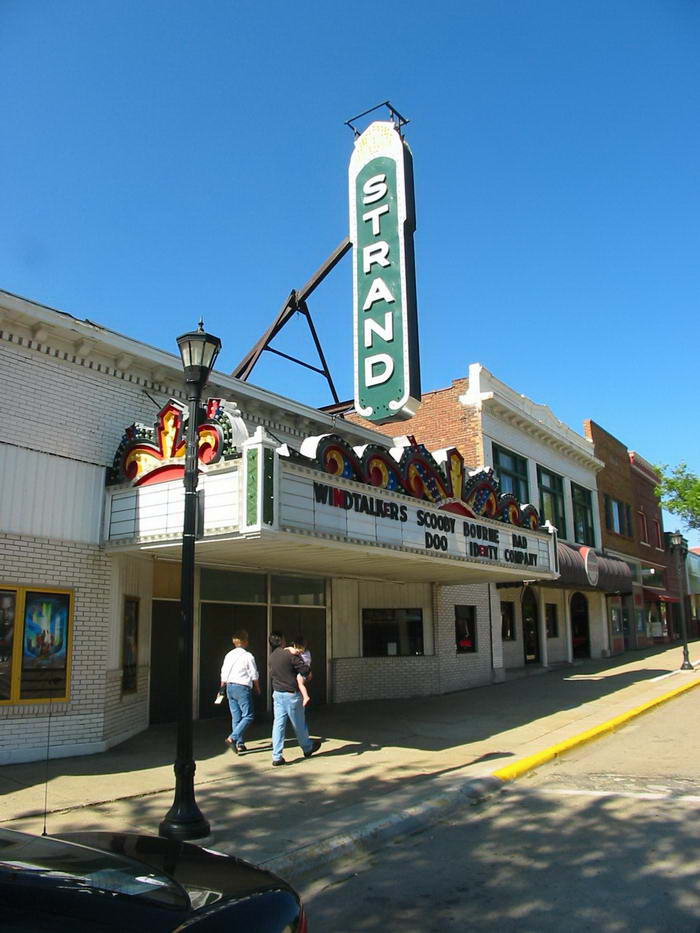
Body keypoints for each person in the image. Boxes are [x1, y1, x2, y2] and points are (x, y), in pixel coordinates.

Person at [268, 631, 321, 766]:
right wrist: (308, 674)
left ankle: (276, 756)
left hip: (277, 693)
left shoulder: (272, 657)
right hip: (291, 694)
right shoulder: (290, 655)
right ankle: (307, 747)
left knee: (278, 724)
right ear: (281, 641)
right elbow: (304, 670)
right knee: (298, 723)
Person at [220, 629, 260, 755]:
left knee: (236, 716)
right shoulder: (248, 656)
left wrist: (222, 687)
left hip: (229, 686)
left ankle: (240, 743)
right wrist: (257, 687)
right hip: (242, 687)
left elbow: (224, 672)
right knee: (248, 715)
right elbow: (253, 674)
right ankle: (233, 737)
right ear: (245, 641)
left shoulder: (229, 655)